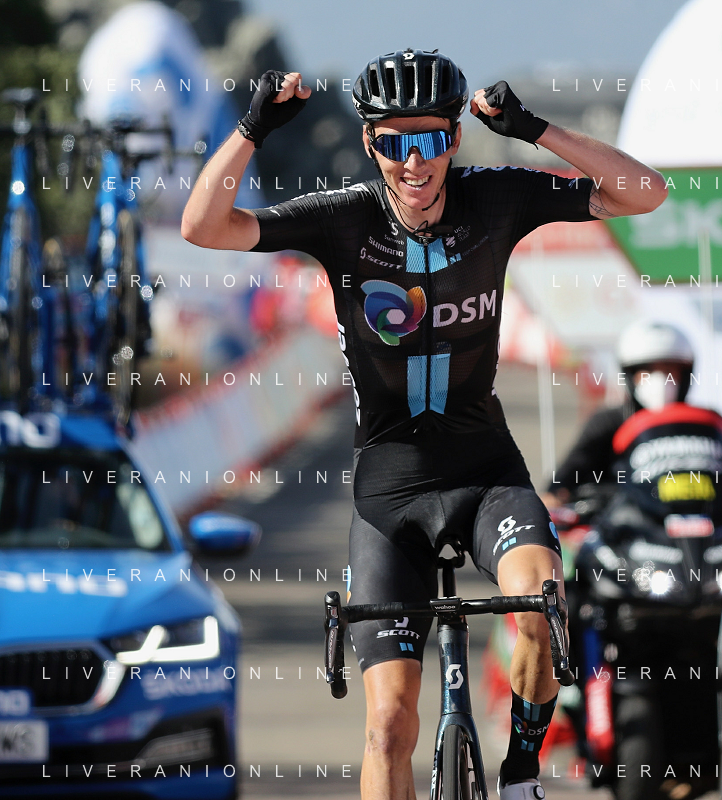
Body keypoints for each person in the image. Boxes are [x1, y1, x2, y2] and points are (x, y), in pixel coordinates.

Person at [181, 49, 667, 800]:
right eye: (394, 143)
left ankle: (520, 774)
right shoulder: (342, 218)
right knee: (386, 728)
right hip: (390, 495)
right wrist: (254, 128)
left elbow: (644, 193)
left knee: (542, 603)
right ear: (370, 143)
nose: (415, 162)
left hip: (486, 476)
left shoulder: (495, 198)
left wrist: (535, 130)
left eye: (431, 139)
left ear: (455, 138)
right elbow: (203, 226)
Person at [541, 321, 695, 510]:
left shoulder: (700, 424)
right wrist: (556, 496)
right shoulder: (608, 422)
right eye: (647, 371)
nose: (660, 380)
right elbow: (565, 480)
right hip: (625, 523)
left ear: (685, 376)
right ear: (630, 375)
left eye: (669, 371)